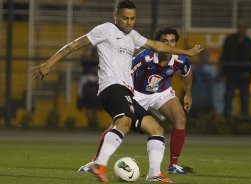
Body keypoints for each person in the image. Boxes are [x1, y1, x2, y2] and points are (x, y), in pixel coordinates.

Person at [32, 0, 203, 183]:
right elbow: (74, 45)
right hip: (112, 87)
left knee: (156, 128)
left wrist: (186, 52)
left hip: (125, 91)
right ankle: (99, 164)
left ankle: (154, 174)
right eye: (125, 18)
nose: (129, 22)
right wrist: (48, 64)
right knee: (123, 121)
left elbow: (158, 46)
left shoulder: (133, 36)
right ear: (116, 17)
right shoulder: (105, 29)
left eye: (132, 18)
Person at [131, 26, 193, 174]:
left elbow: (187, 74)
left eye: (172, 41)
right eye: (164, 41)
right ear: (157, 43)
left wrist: (188, 94)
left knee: (180, 118)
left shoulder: (180, 59)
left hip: (161, 92)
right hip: (138, 93)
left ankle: (172, 165)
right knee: (121, 124)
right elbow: (125, 72)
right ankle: (96, 162)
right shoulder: (144, 58)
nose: (168, 45)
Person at [220, 20, 251, 117]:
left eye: (244, 27)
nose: (242, 29)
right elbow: (224, 56)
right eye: (240, 26)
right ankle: (227, 120)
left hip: (244, 76)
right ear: (237, 27)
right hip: (231, 74)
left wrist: (249, 75)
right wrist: (223, 73)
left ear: (246, 28)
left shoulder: (250, 43)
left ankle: (244, 120)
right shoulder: (229, 40)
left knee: (244, 100)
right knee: (228, 99)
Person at [77, 47, 103, 129]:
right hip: (87, 87)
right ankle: (90, 123)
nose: (95, 54)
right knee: (87, 107)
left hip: (96, 87)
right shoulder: (87, 61)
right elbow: (82, 59)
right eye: (94, 52)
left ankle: (94, 123)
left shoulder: (101, 62)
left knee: (95, 107)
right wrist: (86, 48)